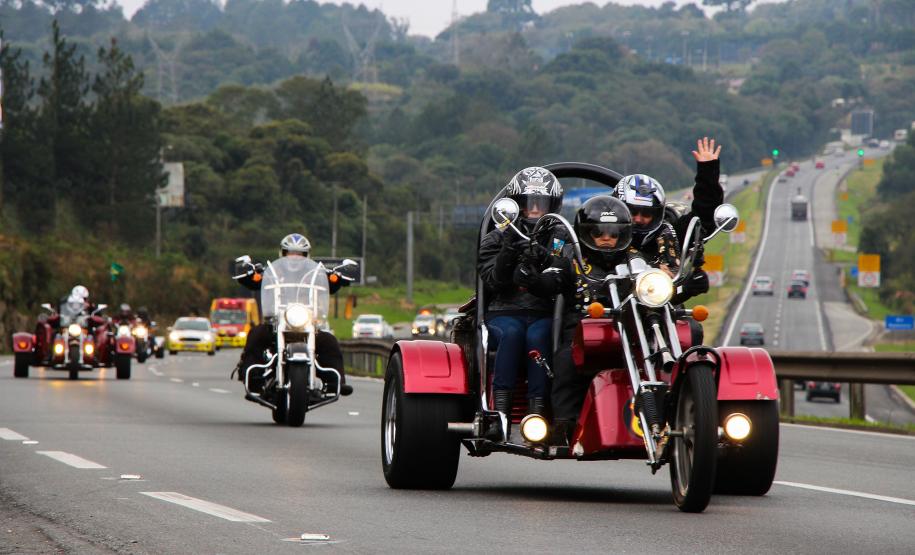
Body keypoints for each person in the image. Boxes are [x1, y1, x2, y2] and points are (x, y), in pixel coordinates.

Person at [514, 195, 634, 443]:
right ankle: (564, 426)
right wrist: (531, 278)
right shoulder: (571, 259)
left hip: (630, 333)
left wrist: (684, 282)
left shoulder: (634, 259)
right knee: (566, 360)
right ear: (586, 234)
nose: (607, 239)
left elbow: (661, 280)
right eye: (599, 232)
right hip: (580, 334)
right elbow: (551, 279)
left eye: (613, 233)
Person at [478, 166, 564, 427]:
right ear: (516, 205)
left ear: (553, 205)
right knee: (513, 333)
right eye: (528, 204)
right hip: (503, 312)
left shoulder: (560, 238)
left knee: (538, 335)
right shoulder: (495, 237)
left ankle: (538, 410)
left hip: (545, 313)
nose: (535, 210)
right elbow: (491, 280)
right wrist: (508, 251)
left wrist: (545, 259)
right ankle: (499, 412)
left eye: (541, 204)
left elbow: (566, 276)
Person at [233, 233, 353, 396]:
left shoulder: (316, 274)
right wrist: (249, 273)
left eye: (300, 254)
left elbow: (331, 284)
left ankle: (335, 382)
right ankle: (252, 377)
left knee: (329, 341)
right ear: (282, 254)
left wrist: (336, 278)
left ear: (307, 255)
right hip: (276, 322)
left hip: (307, 322)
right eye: (290, 253)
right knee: (256, 335)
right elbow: (254, 281)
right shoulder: (271, 273)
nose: (295, 258)